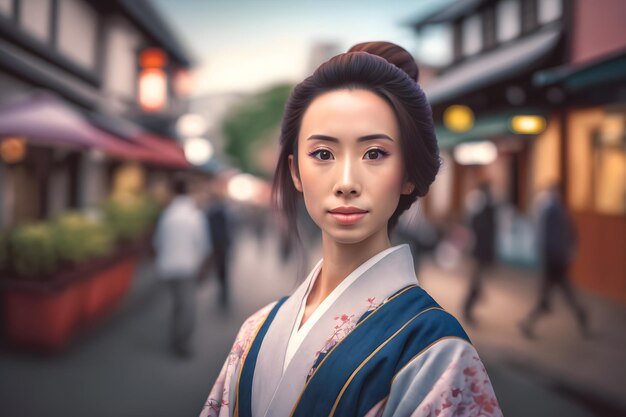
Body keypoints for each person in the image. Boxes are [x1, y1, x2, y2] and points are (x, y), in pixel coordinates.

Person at [200, 42, 501, 417]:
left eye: (374, 153)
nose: (346, 182)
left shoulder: (437, 351)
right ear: (295, 172)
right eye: (323, 154)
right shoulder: (256, 329)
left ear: (408, 173)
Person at [519, 185, 588, 338]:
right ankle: (581, 314)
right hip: (557, 258)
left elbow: (546, 235)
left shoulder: (551, 209)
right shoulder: (559, 210)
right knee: (562, 292)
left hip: (553, 259)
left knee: (550, 295)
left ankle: (529, 322)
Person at [153, 178, 210, 357]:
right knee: (187, 306)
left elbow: (157, 242)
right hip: (187, 267)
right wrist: (203, 265)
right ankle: (181, 342)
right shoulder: (195, 215)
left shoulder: (166, 214)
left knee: (178, 304)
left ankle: (176, 338)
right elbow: (203, 244)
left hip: (167, 266)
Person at [463, 182, 497, 325]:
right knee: (475, 280)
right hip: (480, 249)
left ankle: (471, 306)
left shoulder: (482, 206)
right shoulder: (486, 206)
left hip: (479, 249)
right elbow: (485, 230)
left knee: (476, 279)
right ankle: (467, 309)